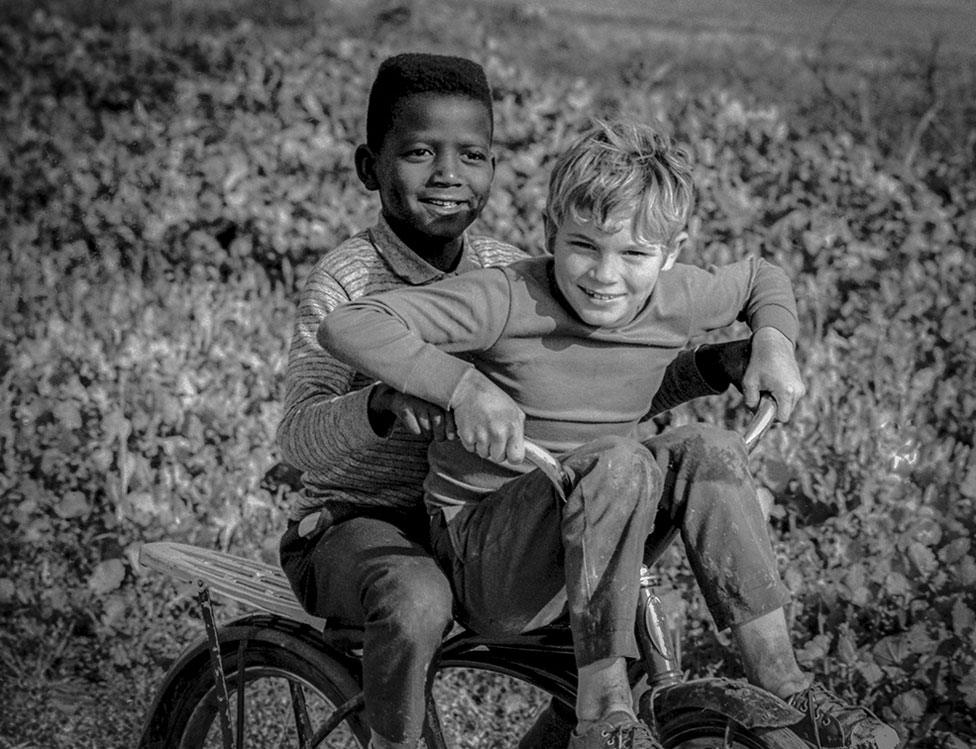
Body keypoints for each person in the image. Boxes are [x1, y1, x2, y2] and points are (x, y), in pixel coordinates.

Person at [318, 120, 900, 749]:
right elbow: (353, 322)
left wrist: (774, 342)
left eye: (633, 254)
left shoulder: (678, 297)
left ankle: (785, 684)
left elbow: (762, 277)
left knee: (711, 447)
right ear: (548, 233)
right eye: (582, 246)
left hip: (604, 546)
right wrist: (464, 388)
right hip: (493, 562)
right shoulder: (506, 298)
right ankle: (602, 709)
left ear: (672, 252)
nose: (604, 275)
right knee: (619, 462)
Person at [276, 53, 776, 749]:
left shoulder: (512, 270)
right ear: (370, 168)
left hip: (495, 514)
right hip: (361, 521)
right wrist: (385, 406)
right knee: (418, 597)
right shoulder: (346, 280)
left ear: (493, 168)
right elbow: (296, 438)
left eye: (472, 155)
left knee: (620, 631)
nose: (448, 174)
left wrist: (710, 367)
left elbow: (595, 394)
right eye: (419, 153)